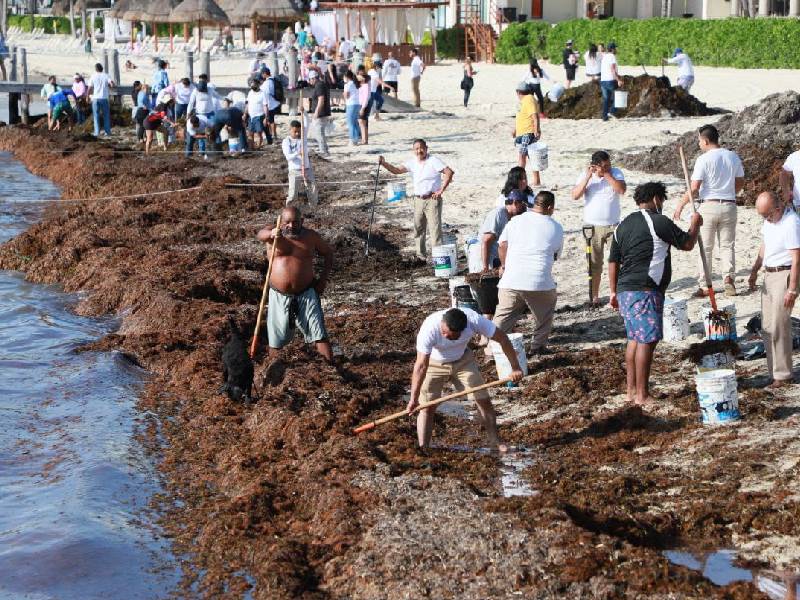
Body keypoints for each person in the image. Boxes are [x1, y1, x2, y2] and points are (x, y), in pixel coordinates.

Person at [609, 182, 702, 406]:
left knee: (634, 339)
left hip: (625, 290)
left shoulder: (622, 225)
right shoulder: (658, 221)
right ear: (656, 199)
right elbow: (687, 243)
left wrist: (613, 291)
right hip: (645, 289)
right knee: (647, 341)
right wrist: (695, 225)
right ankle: (642, 395)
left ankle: (631, 392)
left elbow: (613, 261)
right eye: (662, 200)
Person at [409, 307, 524, 451]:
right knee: (427, 407)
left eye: (450, 336)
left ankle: (495, 442)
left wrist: (515, 367)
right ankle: (423, 447)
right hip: (434, 363)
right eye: (443, 332)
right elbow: (420, 366)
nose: (445, 336)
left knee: (483, 399)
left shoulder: (474, 320)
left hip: (463, 360)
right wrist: (413, 399)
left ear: (463, 330)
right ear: (442, 323)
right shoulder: (429, 328)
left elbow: (502, 338)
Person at [672, 124, 744, 297]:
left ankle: (705, 285)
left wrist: (680, 205)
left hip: (709, 206)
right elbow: (740, 181)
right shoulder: (732, 156)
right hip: (729, 205)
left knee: (706, 247)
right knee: (727, 245)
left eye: (699, 140)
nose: (698, 144)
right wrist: (729, 193)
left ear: (705, 140)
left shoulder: (703, 159)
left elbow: (694, 187)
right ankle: (729, 280)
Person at [255, 206, 334, 363]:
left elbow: (328, 253)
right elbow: (260, 234)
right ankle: (274, 369)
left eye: (295, 222)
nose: (291, 226)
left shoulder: (311, 237)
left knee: (319, 333)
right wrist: (271, 234)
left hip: (307, 292)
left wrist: (323, 280)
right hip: (279, 294)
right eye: (287, 222)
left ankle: (331, 367)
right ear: (281, 222)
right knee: (276, 339)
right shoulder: (273, 233)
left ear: (302, 221)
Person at [492, 190, 563, 354]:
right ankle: (537, 347)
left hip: (511, 279)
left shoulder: (516, 221)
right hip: (539, 281)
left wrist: (504, 266)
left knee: (503, 317)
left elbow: (502, 245)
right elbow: (555, 255)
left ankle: (493, 351)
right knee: (544, 314)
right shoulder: (556, 227)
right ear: (550, 207)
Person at [748, 192, 800, 389]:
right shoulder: (770, 221)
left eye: (767, 215)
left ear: (777, 208)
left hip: (784, 274)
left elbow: (796, 258)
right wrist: (754, 270)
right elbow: (764, 246)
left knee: (779, 325)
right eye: (762, 216)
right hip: (769, 274)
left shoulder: (791, 222)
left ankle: (784, 374)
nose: (765, 219)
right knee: (767, 326)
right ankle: (774, 373)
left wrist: (793, 289)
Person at [379, 140, 455, 260]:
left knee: (435, 230)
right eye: (416, 149)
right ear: (413, 150)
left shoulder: (433, 160)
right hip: (418, 200)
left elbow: (449, 172)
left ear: (426, 148)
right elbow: (396, 170)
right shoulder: (412, 162)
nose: (419, 151)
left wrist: (441, 190)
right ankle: (421, 256)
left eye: (421, 148)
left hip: (432, 199)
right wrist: (383, 163)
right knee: (418, 228)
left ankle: (438, 258)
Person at [571, 150, 627, 305]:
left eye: (609, 164)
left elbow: (621, 190)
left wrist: (607, 175)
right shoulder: (585, 175)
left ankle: (614, 294)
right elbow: (575, 195)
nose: (608, 168)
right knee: (594, 264)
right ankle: (594, 296)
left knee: (616, 262)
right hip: (592, 228)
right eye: (604, 166)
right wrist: (589, 177)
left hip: (613, 226)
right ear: (594, 166)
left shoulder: (616, 173)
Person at [474, 189, 529, 322]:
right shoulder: (499, 214)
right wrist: (485, 267)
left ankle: (494, 329)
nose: (525, 210)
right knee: (488, 297)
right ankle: (486, 333)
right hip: (482, 256)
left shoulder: (512, 218)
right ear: (515, 203)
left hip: (495, 257)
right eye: (523, 206)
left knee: (498, 295)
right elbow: (486, 241)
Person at [283, 119, 318, 206]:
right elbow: (288, 157)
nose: (297, 134)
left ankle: (314, 208)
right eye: (295, 132)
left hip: (307, 169)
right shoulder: (286, 141)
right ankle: (289, 209)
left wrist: (304, 111)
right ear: (290, 129)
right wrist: (297, 153)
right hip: (294, 171)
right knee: (292, 194)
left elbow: (307, 121)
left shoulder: (303, 138)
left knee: (312, 191)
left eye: (299, 131)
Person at [513, 82, 542, 187]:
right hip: (522, 132)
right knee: (531, 157)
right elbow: (521, 117)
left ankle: (518, 181)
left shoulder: (529, 99)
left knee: (522, 156)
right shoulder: (525, 101)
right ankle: (536, 181)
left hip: (528, 132)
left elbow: (535, 116)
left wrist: (536, 130)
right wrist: (515, 130)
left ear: (518, 92)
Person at [88, 63, 115, 137]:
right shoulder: (106, 75)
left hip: (96, 98)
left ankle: (97, 132)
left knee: (96, 115)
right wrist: (111, 86)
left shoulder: (93, 76)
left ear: (96, 69)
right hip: (104, 98)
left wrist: (87, 96)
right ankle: (107, 131)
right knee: (106, 115)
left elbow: (89, 87)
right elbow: (111, 84)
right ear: (102, 68)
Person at [308, 69, 330, 156]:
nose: (309, 82)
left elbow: (321, 100)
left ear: (313, 79)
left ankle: (323, 150)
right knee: (320, 132)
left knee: (319, 132)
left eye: (310, 80)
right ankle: (325, 149)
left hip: (321, 113)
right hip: (322, 112)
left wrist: (317, 112)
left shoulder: (319, 85)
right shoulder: (320, 84)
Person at [599, 42, 623, 121]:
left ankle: (604, 117)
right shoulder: (612, 56)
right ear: (612, 49)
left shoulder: (605, 56)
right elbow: (612, 69)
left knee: (606, 99)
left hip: (603, 81)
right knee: (618, 96)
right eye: (615, 48)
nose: (616, 49)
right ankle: (612, 111)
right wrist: (618, 80)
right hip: (610, 80)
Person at [244, 79, 267, 149]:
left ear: (258, 85)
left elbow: (265, 106)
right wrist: (245, 114)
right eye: (251, 85)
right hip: (251, 116)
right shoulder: (250, 92)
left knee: (259, 133)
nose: (252, 86)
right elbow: (248, 104)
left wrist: (266, 118)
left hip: (259, 116)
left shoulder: (262, 94)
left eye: (254, 84)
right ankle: (252, 148)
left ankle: (258, 147)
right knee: (250, 133)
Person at [264, 67, 281, 145]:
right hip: (276, 102)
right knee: (273, 120)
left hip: (270, 104)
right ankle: (274, 135)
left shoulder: (267, 82)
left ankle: (273, 136)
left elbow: (266, 93)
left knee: (271, 121)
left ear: (265, 74)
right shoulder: (274, 79)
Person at [343, 70, 361, 146]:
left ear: (346, 77)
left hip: (351, 104)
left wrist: (343, 94)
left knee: (350, 123)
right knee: (355, 122)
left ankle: (352, 140)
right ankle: (356, 139)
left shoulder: (348, 84)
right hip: (357, 104)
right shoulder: (355, 83)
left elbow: (346, 96)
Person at [357, 72, 371, 145]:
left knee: (362, 122)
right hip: (360, 104)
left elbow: (366, 98)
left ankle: (365, 140)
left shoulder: (365, 85)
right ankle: (364, 139)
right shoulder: (360, 85)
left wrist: (362, 108)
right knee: (361, 122)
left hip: (363, 105)